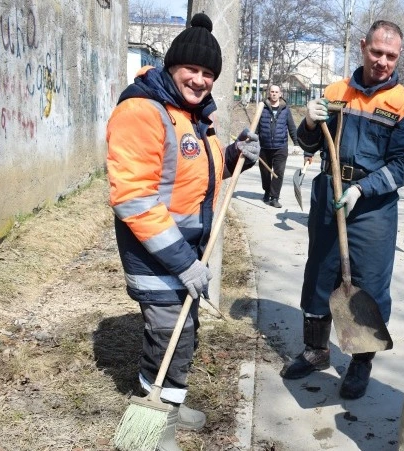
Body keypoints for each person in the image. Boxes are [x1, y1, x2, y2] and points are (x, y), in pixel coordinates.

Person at [106, 13, 260, 450]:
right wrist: (183, 262)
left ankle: (172, 405)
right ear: (171, 67)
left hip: (186, 249)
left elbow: (195, 177)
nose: (200, 79)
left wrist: (232, 155)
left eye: (208, 73)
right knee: (166, 334)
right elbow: (134, 199)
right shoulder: (142, 111)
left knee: (184, 330)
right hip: (155, 250)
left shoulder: (193, 116)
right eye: (191, 69)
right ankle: (156, 425)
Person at [280, 20, 404, 400]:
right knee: (320, 274)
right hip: (329, 191)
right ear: (363, 46)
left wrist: (364, 188)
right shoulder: (335, 91)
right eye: (376, 52)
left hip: (372, 206)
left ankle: (361, 364)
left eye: (391, 56)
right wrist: (309, 120)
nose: (382, 61)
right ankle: (315, 351)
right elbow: (310, 144)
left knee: (369, 284)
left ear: (399, 56)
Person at [256, 84, 299, 208]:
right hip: (265, 147)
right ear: (269, 93)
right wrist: (251, 140)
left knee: (278, 172)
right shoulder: (262, 108)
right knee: (264, 171)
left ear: (280, 94)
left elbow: (291, 127)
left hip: (280, 147)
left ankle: (274, 197)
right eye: (272, 91)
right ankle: (267, 191)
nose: (274, 94)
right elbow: (256, 127)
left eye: (276, 92)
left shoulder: (285, 109)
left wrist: (296, 144)